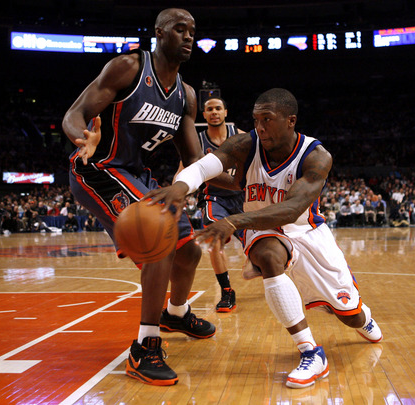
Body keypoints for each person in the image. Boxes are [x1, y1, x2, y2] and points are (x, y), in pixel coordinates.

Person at [147, 88, 383, 389]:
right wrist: (181, 187)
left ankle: (362, 317)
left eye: (267, 120)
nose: (259, 127)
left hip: (306, 232)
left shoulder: (317, 156)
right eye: (256, 120)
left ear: (290, 121)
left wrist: (234, 221)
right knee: (268, 255)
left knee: (350, 316)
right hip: (264, 230)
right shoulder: (247, 144)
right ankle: (311, 352)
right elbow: (206, 166)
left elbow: (292, 209)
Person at [62, 8, 215, 386]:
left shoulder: (186, 96)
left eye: (192, 31)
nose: (188, 36)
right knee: (160, 243)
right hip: (98, 170)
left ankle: (176, 313)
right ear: (159, 33)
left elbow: (195, 159)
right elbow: (74, 113)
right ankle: (145, 346)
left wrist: (241, 177)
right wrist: (84, 139)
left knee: (189, 251)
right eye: (180, 29)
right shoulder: (128, 68)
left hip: (136, 175)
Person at [193, 97, 247, 312]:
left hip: (242, 198)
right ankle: (226, 291)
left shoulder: (242, 137)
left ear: (226, 112)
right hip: (213, 198)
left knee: (259, 247)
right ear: (204, 115)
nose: (214, 112)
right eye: (209, 109)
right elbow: (182, 168)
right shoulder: (197, 142)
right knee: (214, 239)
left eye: (218, 108)